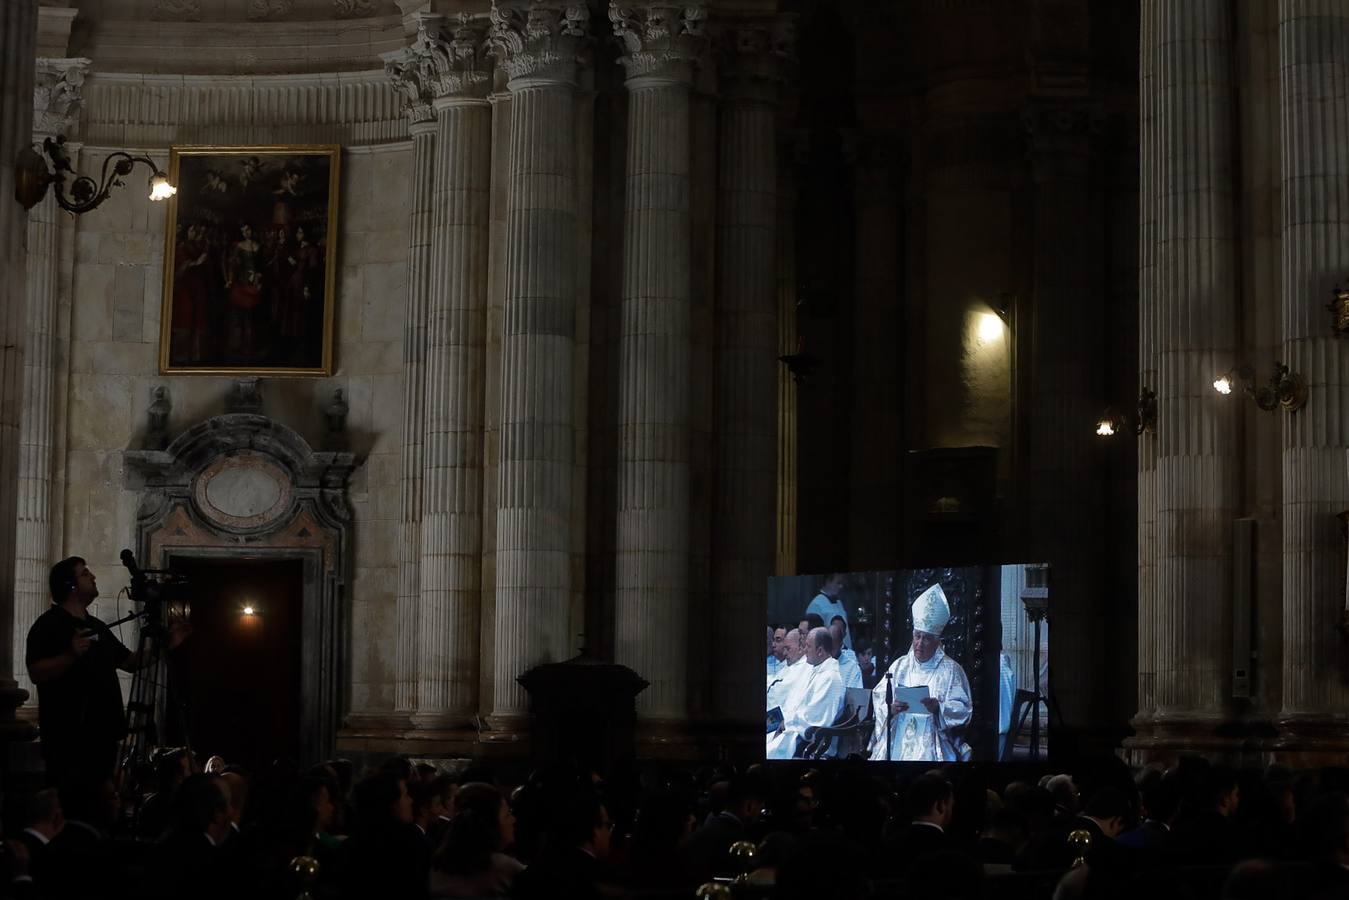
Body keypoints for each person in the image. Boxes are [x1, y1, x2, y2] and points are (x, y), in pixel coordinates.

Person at [26, 557, 188, 788]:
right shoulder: (48, 626)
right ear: (70, 586)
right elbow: (36, 673)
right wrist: (70, 655)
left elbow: (131, 662)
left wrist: (165, 646)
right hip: (69, 742)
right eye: (84, 573)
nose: (92, 577)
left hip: (103, 737)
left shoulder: (97, 626)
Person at [868, 583, 972, 762]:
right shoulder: (900, 666)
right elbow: (879, 696)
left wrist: (938, 708)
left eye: (927, 638)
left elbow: (963, 708)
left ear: (937, 642)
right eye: (917, 636)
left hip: (933, 736)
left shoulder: (951, 670)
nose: (920, 643)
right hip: (898, 730)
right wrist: (890, 709)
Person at [428, 782, 522, 898]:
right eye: (507, 815)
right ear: (490, 826)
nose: (513, 820)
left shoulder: (437, 865)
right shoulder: (505, 869)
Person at [767, 628, 845, 759]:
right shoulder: (816, 670)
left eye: (808, 646)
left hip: (809, 741)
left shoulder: (831, 678)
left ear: (820, 651)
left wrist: (788, 722)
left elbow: (816, 718)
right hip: (794, 729)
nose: (804, 650)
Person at [766, 628, 808, 714]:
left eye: (788, 649)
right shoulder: (792, 663)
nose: (785, 653)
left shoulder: (802, 668)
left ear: (800, 648)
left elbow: (777, 695)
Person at [804, 574, 851, 650]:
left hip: (846, 653)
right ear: (828, 581)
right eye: (838, 583)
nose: (841, 586)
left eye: (841, 583)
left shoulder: (839, 603)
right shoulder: (816, 604)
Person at [828, 618, 863, 689]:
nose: (829, 651)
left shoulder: (852, 668)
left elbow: (855, 697)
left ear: (840, 645)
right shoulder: (819, 663)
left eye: (833, 648)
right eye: (828, 647)